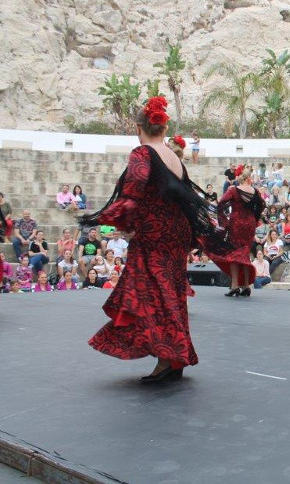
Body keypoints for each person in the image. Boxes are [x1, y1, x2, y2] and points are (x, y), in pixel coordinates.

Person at [78, 96, 231, 383]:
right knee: (169, 292)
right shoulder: (174, 157)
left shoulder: (142, 152)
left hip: (155, 234)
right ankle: (173, 357)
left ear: (139, 128)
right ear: (164, 128)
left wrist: (112, 220)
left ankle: (168, 357)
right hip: (176, 232)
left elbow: (133, 191)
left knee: (153, 293)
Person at [209, 165, 265, 297]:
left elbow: (221, 203)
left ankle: (234, 286)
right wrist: (254, 219)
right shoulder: (255, 191)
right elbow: (262, 205)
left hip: (236, 224)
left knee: (234, 254)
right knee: (245, 254)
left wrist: (224, 222)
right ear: (249, 178)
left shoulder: (233, 190)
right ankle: (246, 286)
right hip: (249, 224)